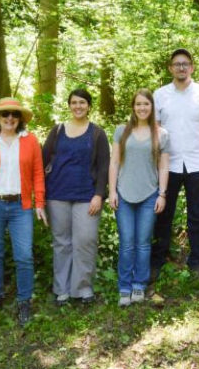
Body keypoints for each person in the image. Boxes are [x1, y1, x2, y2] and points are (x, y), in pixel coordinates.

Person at [0, 97, 47, 327]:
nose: (10, 118)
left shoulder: (30, 141)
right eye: (5, 115)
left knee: (23, 256)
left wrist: (39, 203)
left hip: (20, 206)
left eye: (14, 114)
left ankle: (24, 301)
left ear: (20, 119)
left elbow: (38, 174)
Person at [151, 49, 199, 280]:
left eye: (185, 64)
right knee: (163, 214)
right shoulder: (159, 95)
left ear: (192, 67)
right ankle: (159, 260)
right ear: (170, 68)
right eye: (177, 64)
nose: (181, 67)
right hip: (167, 165)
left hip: (198, 163)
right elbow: (155, 133)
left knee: (197, 216)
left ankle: (197, 262)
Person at [43, 89, 110, 306]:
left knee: (85, 241)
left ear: (89, 106)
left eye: (82, 102)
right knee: (61, 243)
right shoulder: (58, 130)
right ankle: (61, 289)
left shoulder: (97, 133)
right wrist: (41, 196)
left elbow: (103, 167)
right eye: (74, 102)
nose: (78, 106)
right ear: (69, 105)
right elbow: (42, 162)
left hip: (87, 197)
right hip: (57, 194)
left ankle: (83, 289)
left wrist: (99, 195)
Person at [108, 89, 169, 307]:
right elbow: (114, 162)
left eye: (146, 104)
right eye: (138, 104)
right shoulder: (121, 131)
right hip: (124, 194)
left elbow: (163, 166)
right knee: (127, 243)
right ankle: (124, 286)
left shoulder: (161, 134)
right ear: (133, 107)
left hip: (149, 194)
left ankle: (139, 285)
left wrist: (162, 194)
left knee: (143, 243)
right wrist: (112, 191)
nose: (142, 108)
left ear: (152, 107)